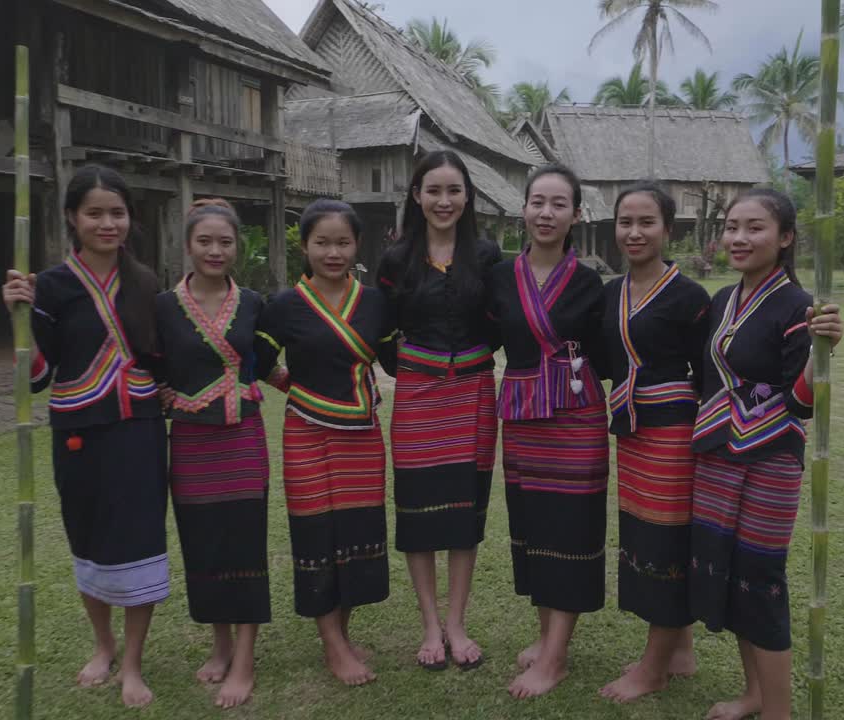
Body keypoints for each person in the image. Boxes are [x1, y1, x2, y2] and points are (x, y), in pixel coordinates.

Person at [0, 165, 166, 708]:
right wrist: (17, 319)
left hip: (138, 431)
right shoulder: (46, 287)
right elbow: (39, 376)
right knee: (90, 537)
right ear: (72, 218)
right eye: (94, 212)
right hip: (78, 431)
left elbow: (163, 359)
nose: (107, 223)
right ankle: (103, 644)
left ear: (129, 219)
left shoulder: (146, 282)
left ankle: (134, 663)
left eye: (116, 212)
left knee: (140, 539)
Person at [688, 188, 843, 720]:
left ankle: (779, 712)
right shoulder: (722, 300)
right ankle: (753, 694)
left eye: (754, 228)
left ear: (786, 238)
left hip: (769, 458)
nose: (739, 238)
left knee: (760, 578)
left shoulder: (800, 307)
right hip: (716, 453)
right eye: (732, 227)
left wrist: (823, 353)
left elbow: (800, 404)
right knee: (729, 575)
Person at [255, 199, 396, 687]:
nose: (332, 252)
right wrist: (285, 383)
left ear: (357, 245)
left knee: (356, 532)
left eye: (342, 242)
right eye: (322, 242)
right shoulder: (284, 306)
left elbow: (398, 359)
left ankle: (344, 631)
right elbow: (254, 357)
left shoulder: (376, 302)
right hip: (307, 432)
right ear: (305, 246)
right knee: (317, 533)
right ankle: (333, 645)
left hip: (361, 434)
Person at [484, 163, 609, 699]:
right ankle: (547, 639)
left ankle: (555, 658)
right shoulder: (499, 278)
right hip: (522, 415)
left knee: (571, 527)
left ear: (576, 215)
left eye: (559, 204)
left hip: (575, 418)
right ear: (524, 208)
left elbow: (609, 351)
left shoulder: (589, 282)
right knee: (535, 524)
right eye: (538, 201)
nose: (546, 213)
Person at [375, 150, 502, 672]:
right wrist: (415, 366)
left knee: (465, 515)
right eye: (433, 190)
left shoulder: (489, 256)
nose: (443, 201)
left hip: (474, 394)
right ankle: (430, 624)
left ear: (468, 196)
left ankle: (457, 622)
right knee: (419, 512)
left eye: (453, 191)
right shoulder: (395, 260)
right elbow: (383, 333)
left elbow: (499, 323)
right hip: (419, 399)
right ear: (416, 195)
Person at [155, 199, 272, 708]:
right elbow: (149, 363)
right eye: (205, 241)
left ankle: (245, 657)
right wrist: (162, 393)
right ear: (188, 246)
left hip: (242, 437)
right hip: (190, 441)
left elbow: (263, 363)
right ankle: (220, 643)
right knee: (202, 543)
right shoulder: (163, 307)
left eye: (225, 242)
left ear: (237, 247)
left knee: (244, 542)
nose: (215, 251)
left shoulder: (252, 303)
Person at [597, 183, 710, 703]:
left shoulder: (689, 297)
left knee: (665, 541)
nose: (634, 232)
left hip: (673, 435)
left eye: (646, 222)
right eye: (625, 222)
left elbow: (710, 372)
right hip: (631, 430)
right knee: (644, 535)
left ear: (668, 228)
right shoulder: (610, 291)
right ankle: (679, 650)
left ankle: (652, 668)